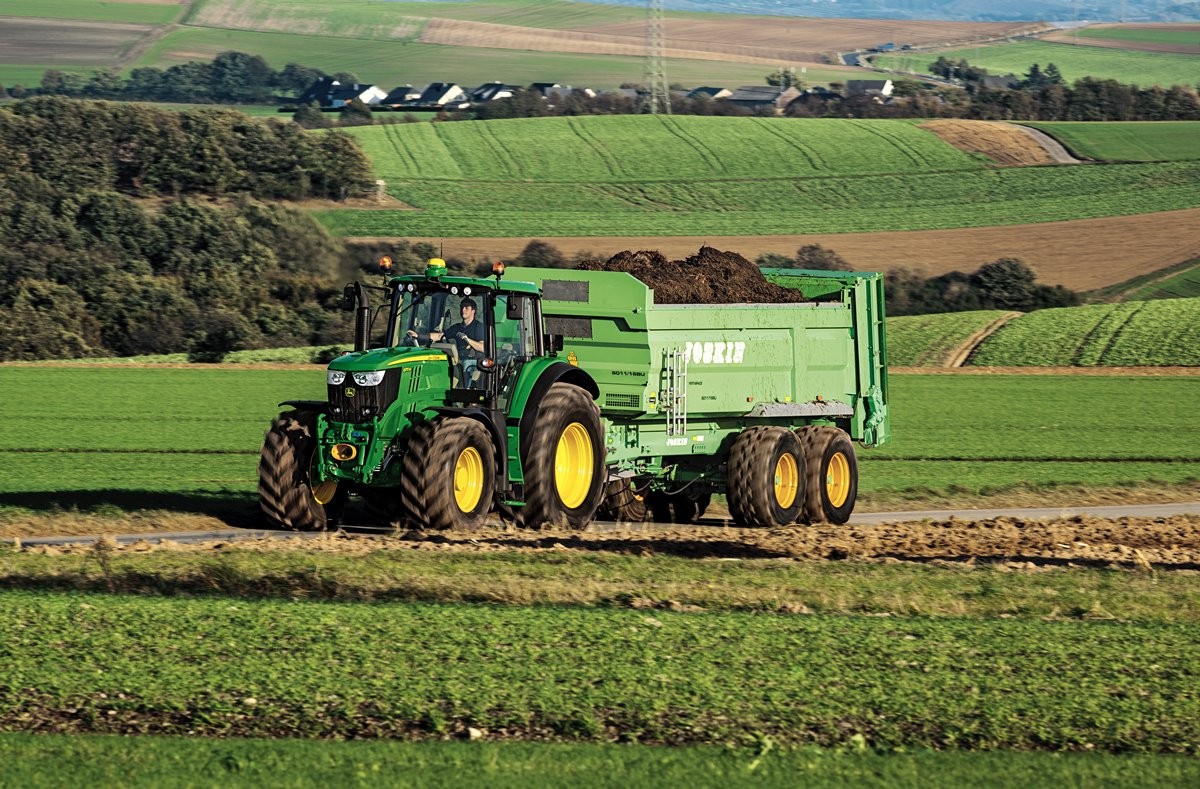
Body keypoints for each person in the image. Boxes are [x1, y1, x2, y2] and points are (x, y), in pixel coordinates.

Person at [410, 298, 485, 384]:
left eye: (466, 307)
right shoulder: (456, 328)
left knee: (466, 364)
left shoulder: (479, 327)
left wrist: (467, 340)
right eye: (461, 307)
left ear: (473, 311)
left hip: (472, 361)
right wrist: (418, 336)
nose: (463, 310)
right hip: (457, 361)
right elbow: (439, 336)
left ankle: (465, 389)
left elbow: (482, 347)